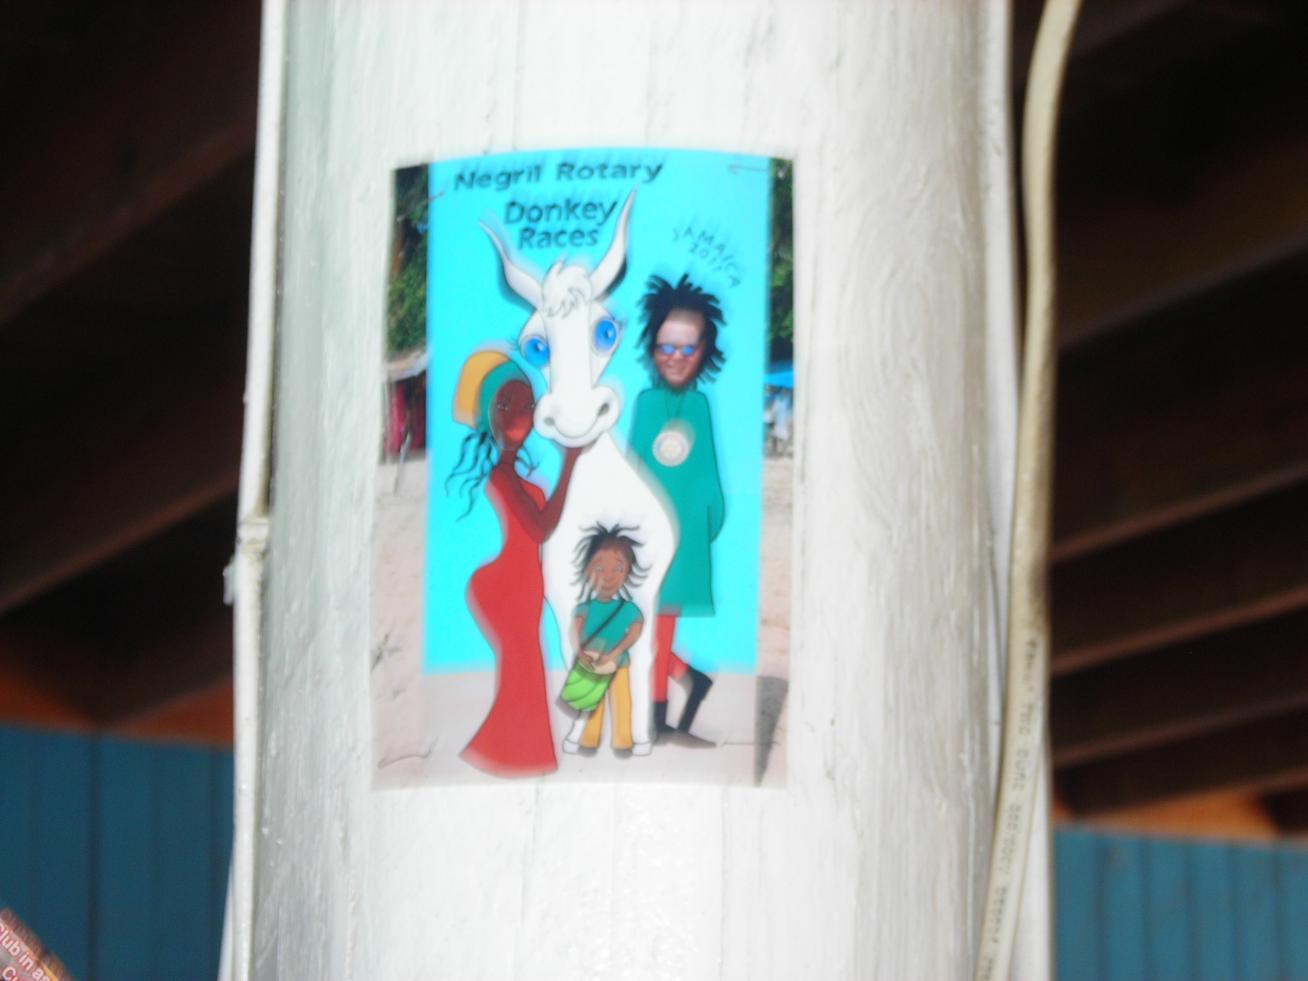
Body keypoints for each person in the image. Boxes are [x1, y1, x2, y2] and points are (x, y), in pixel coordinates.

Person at [448, 350, 582, 777]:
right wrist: (571, 463)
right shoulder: (502, 476)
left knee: (523, 670)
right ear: (489, 415)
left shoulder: (516, 477)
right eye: (505, 404)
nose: (518, 414)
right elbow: (540, 528)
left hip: (523, 584)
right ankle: (515, 755)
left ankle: (512, 753)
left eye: (526, 404)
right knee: (524, 668)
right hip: (508, 584)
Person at [627, 274, 726, 742]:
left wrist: (706, 528)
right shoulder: (646, 404)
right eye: (667, 347)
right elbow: (633, 468)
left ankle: (659, 717)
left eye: (688, 349)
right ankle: (688, 679)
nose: (676, 358)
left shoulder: (700, 407)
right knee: (639, 625)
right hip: (645, 539)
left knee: (659, 626)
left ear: (704, 351)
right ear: (652, 349)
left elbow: (709, 476)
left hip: (684, 540)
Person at [559, 525, 647, 753]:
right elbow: (574, 632)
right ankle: (589, 741)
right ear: (587, 570)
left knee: (622, 702)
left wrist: (615, 653)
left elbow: (635, 632)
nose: (608, 576)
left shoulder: (628, 609)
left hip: (619, 664)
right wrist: (581, 653)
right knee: (592, 704)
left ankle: (623, 742)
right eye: (599, 567)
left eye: (618, 568)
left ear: (627, 572)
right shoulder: (584, 608)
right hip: (591, 664)